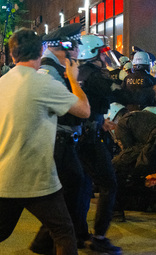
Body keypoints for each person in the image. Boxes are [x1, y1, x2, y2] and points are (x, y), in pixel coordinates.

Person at [0, 28, 90, 255]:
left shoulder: (2, 83)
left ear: (12, 55)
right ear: (40, 52)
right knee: (63, 232)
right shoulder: (44, 84)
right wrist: (73, 78)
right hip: (37, 179)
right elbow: (84, 111)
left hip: (4, 177)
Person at [28, 23, 87, 254]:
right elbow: (74, 110)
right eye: (74, 46)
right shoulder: (49, 72)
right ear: (64, 47)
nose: (77, 51)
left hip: (60, 141)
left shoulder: (55, 68)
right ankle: (48, 243)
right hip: (57, 142)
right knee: (66, 191)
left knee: (69, 189)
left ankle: (46, 243)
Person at [76, 34, 122, 254]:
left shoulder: (78, 73)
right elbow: (122, 92)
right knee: (108, 184)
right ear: (92, 53)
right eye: (102, 53)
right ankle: (99, 237)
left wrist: (98, 119)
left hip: (81, 135)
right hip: (90, 138)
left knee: (83, 187)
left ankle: (78, 233)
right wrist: (150, 92)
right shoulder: (95, 76)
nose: (105, 57)